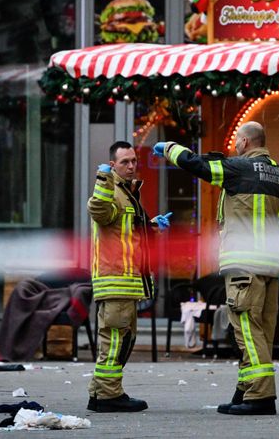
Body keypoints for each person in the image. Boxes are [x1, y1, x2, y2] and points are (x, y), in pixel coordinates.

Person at [153, 121, 279, 416]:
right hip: (270, 269)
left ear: (245, 142)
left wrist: (169, 148)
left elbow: (199, 166)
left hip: (244, 266)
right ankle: (244, 392)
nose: (234, 147)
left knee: (247, 329)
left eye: (236, 142)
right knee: (260, 333)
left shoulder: (239, 168)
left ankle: (260, 397)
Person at [86, 140, 166, 413]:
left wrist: (151, 225)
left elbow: (126, 233)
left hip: (127, 282)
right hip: (116, 280)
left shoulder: (128, 193)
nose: (132, 166)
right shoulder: (110, 191)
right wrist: (102, 180)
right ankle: (110, 395)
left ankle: (100, 392)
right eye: (125, 162)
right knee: (116, 339)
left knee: (122, 338)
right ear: (112, 165)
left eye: (134, 161)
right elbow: (99, 211)